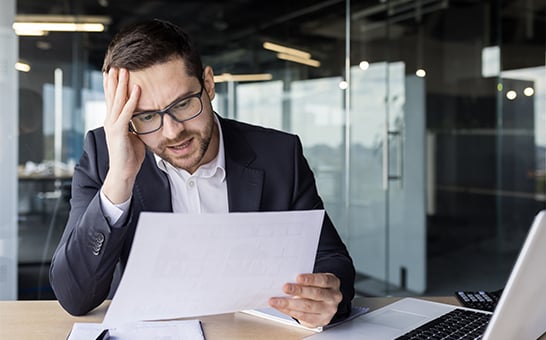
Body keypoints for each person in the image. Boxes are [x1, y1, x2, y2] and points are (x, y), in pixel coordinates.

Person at [49, 19, 355, 328]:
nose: (172, 131)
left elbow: (331, 259)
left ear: (208, 84)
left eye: (182, 104)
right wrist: (120, 180)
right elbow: (74, 297)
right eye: (147, 116)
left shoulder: (278, 154)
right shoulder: (105, 156)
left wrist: (328, 293)